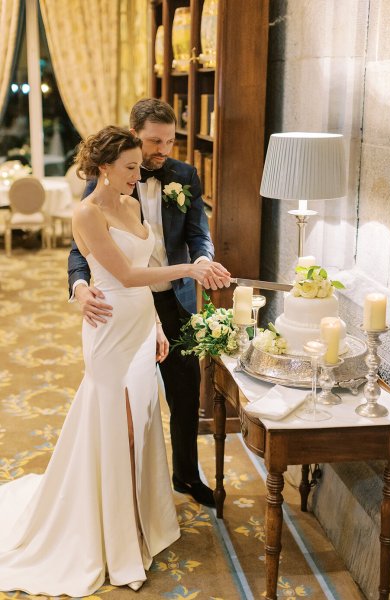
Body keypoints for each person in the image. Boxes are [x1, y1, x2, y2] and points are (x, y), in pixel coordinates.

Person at [0, 126, 230, 596]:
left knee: (143, 421)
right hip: (107, 330)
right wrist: (187, 269)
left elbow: (146, 278)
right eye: (129, 166)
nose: (138, 173)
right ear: (103, 167)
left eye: (138, 167)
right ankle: (110, 536)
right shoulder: (86, 212)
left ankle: (141, 520)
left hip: (142, 326)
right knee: (115, 426)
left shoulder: (133, 203)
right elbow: (123, 272)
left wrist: (158, 327)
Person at [68, 98, 227, 507]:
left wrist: (203, 261)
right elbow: (79, 250)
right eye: (155, 141)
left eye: (170, 141)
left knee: (183, 393)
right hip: (122, 305)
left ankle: (186, 477)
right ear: (134, 135)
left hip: (172, 303)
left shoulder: (185, 176)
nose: (163, 150)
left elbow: (198, 234)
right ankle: (121, 494)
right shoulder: (109, 179)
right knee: (124, 404)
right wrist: (80, 288)